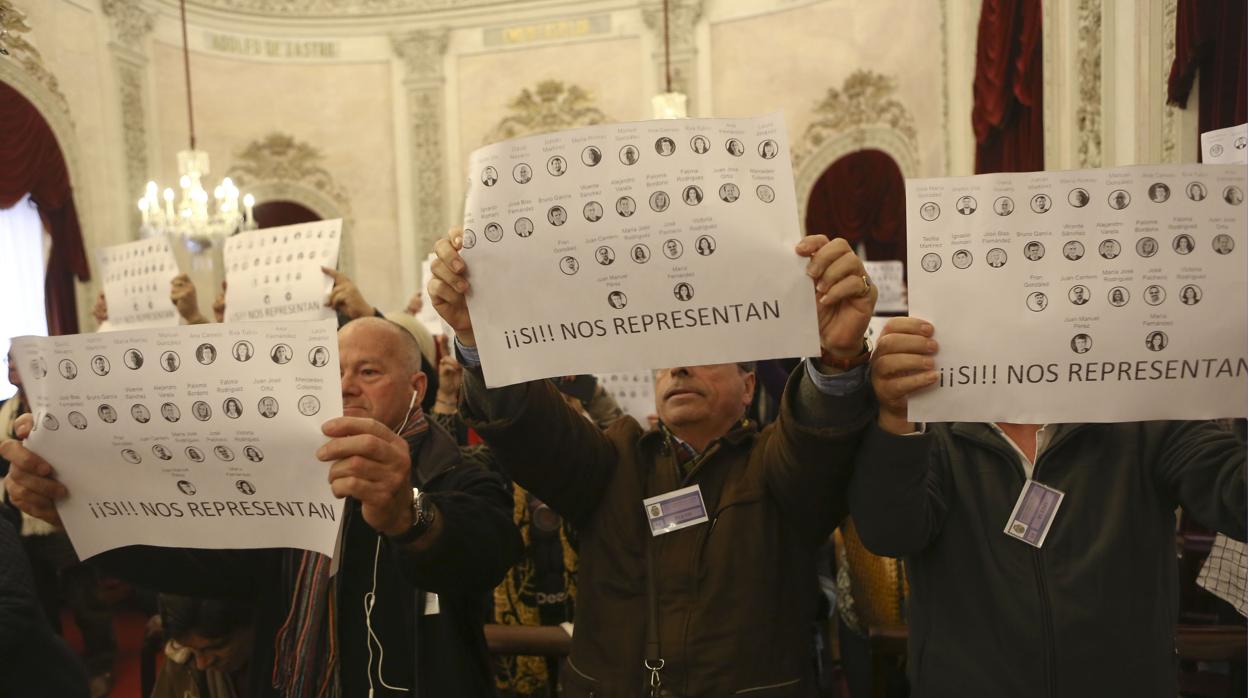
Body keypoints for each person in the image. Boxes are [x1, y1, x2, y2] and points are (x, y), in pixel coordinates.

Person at [427, 227, 878, 696]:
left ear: (749, 387)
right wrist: (483, 342)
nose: (678, 368)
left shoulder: (774, 464)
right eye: (665, 360)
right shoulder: (616, 460)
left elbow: (816, 446)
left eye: (704, 353)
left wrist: (835, 360)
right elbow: (533, 429)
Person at [3, 317, 522, 697]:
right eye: (334, 371)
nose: (345, 386)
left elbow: (485, 552)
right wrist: (75, 510)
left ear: (417, 388)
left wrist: (407, 514)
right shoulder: (286, 473)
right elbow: (200, 562)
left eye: (368, 372)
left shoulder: (456, 471)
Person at [850, 317, 1246, 698]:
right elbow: (889, 532)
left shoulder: (1144, 412)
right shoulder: (933, 425)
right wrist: (896, 418)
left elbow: (1235, 493)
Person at [0, 509, 90, 698]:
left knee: (85, 595)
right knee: (46, 597)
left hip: (35, 680)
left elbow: (13, 604)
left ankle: (101, 664)